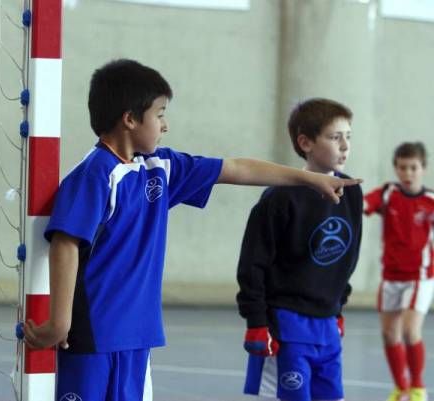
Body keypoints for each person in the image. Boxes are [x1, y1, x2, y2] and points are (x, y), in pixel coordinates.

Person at [21, 60, 361, 401]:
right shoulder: (95, 174)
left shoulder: (161, 168)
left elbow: (237, 168)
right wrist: (59, 320)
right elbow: (66, 244)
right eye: (160, 114)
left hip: (139, 336)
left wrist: (310, 179)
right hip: (91, 335)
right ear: (130, 119)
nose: (165, 125)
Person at [236, 98, 363, 401]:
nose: (345, 146)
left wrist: (338, 306)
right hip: (286, 326)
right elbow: (253, 263)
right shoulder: (280, 198)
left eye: (349, 136)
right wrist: (257, 322)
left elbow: (347, 255)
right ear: (305, 142)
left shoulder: (351, 191)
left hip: (327, 326)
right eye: (335, 137)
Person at [364, 142, 434, 401]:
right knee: (389, 333)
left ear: (423, 169)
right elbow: (361, 205)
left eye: (413, 168)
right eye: (402, 167)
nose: (408, 173)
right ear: (396, 168)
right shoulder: (387, 194)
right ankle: (401, 388)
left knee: (408, 330)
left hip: (420, 276)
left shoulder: (430, 201)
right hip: (391, 276)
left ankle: (417, 387)